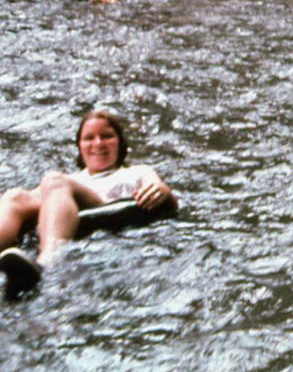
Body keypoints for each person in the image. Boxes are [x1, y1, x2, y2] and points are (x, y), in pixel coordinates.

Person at [0, 111, 178, 298]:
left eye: (107, 136)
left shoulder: (136, 172)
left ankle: (47, 263)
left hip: (103, 210)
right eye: (89, 138)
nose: (98, 143)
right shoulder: (69, 180)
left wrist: (162, 190)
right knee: (15, 196)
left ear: (120, 143)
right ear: (80, 146)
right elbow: (29, 200)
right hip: (64, 207)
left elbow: (161, 191)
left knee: (54, 179)